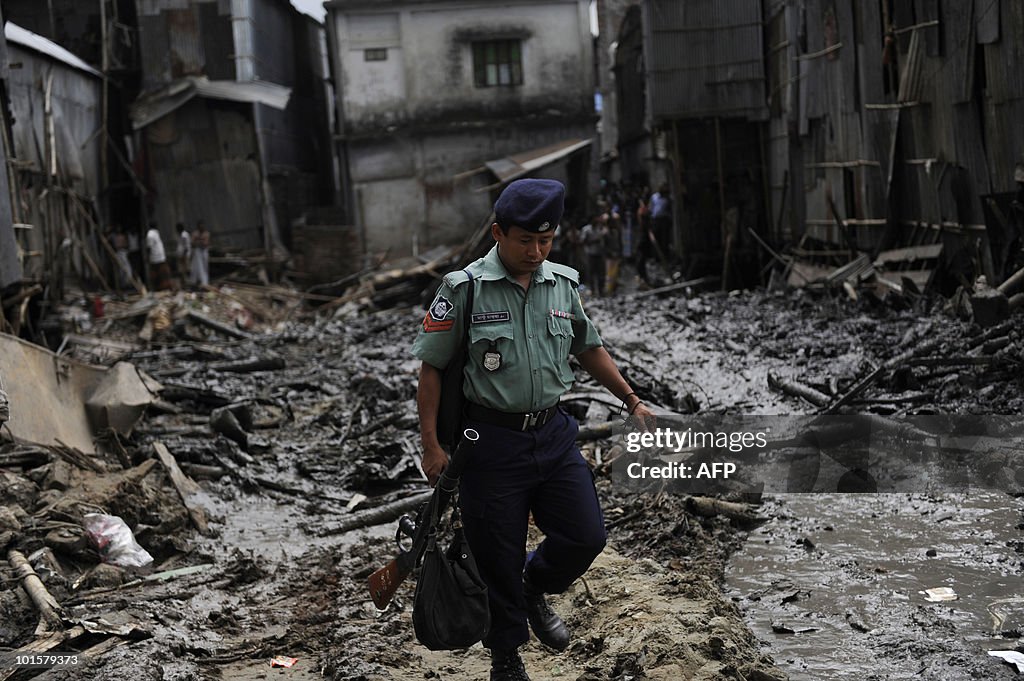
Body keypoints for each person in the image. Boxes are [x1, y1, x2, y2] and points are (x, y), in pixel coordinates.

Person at [411, 178, 655, 681]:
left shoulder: (560, 283)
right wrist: (432, 444)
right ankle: (506, 657)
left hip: (553, 433)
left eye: (546, 241)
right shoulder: (464, 289)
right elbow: (431, 369)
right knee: (495, 554)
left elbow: (588, 347)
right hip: (490, 443)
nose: (536, 251)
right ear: (499, 233)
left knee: (585, 535)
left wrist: (631, 399)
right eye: (526, 240)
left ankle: (534, 584)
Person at [145, 223, 171, 290]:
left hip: (158, 257)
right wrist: (148, 257)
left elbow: (151, 247)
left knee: (160, 273)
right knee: (158, 273)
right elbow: (149, 247)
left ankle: (161, 287)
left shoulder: (153, 233)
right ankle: (158, 288)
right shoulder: (151, 234)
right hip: (156, 257)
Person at [190, 220, 210, 287]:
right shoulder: (195, 233)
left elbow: (206, 243)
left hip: (204, 251)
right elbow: (192, 243)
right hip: (197, 251)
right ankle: (195, 281)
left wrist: (199, 241)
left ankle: (204, 282)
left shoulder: (206, 233)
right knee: (196, 267)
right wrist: (199, 241)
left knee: (204, 267)